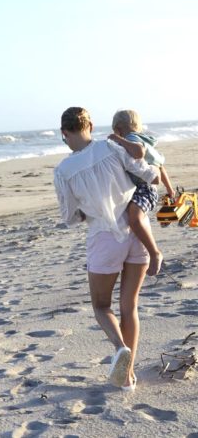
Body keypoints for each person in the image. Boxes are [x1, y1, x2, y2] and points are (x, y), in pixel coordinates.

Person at [54, 107, 160, 391]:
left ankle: (119, 348)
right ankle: (128, 377)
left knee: (102, 306)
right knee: (130, 307)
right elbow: (149, 174)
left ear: (64, 133)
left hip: (103, 235)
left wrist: (86, 213)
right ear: (89, 124)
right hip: (137, 231)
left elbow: (69, 217)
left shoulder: (63, 170)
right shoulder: (111, 146)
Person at [109, 110, 174, 276]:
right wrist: (170, 189)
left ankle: (154, 253)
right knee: (131, 218)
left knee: (134, 218)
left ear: (118, 129)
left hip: (144, 188)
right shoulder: (146, 141)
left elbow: (138, 152)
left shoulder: (131, 140)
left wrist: (118, 140)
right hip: (144, 188)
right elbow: (160, 167)